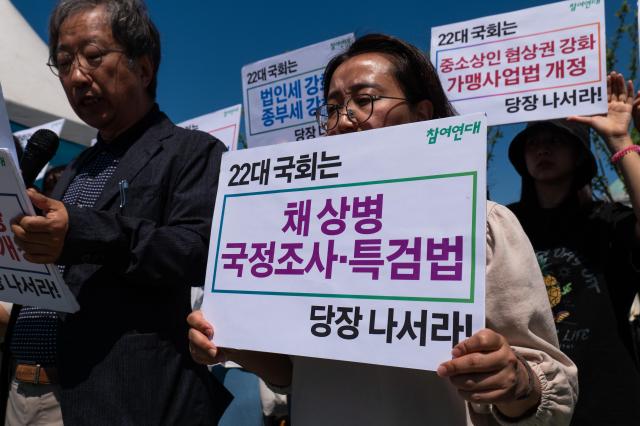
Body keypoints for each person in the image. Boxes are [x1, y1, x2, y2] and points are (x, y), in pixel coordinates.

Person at [188, 34, 578, 425]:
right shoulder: (303, 238)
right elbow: (296, 376)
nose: (342, 120)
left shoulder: (482, 223)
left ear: (423, 114)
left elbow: (551, 389)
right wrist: (233, 344)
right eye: (333, 107)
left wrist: (516, 382)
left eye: (364, 100)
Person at [4, 0, 231, 424]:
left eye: (92, 57)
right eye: (64, 62)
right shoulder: (74, 169)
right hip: (22, 392)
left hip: (112, 398)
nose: (75, 76)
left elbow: (198, 249)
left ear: (143, 68)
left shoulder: (191, 153)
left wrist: (82, 232)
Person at [507, 71, 640, 425]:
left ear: (579, 155)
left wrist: (619, 139)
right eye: (533, 141)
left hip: (607, 404)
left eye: (556, 140)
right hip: (523, 403)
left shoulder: (608, 221)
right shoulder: (504, 223)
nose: (543, 148)